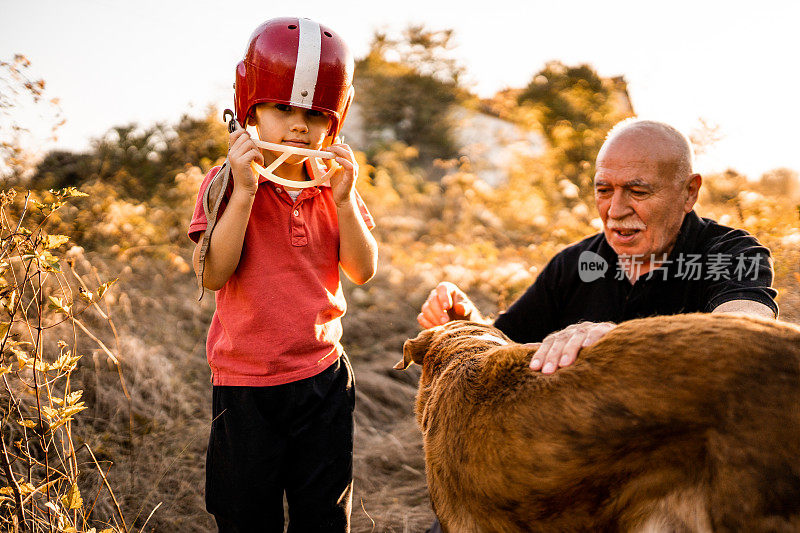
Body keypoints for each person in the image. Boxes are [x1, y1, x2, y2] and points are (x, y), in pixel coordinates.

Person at [419, 118, 778, 532]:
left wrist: (621, 342)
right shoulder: (574, 264)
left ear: (689, 192)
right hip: (583, 474)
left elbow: (746, 328)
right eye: (604, 190)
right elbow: (506, 346)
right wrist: (468, 323)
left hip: (686, 475)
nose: (616, 209)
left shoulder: (729, 253)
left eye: (638, 191)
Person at [188, 17, 377, 532]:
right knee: (247, 514)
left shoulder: (332, 183)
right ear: (249, 108)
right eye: (283, 108)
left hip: (322, 378)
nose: (299, 127)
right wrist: (246, 193)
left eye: (315, 114)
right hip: (247, 384)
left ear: (334, 120)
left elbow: (362, 270)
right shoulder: (228, 182)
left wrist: (343, 200)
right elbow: (212, 274)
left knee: (322, 512)